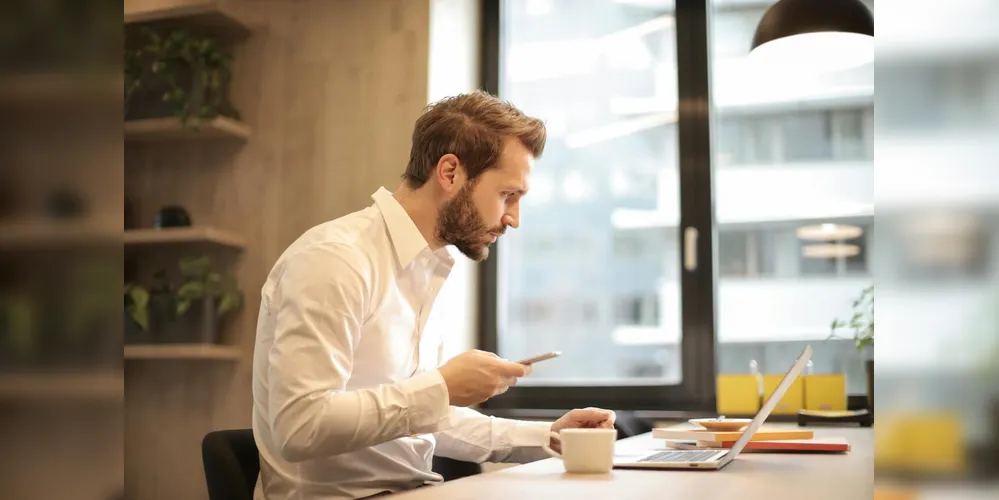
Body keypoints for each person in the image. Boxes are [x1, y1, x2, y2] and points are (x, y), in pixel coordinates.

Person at [251, 91, 616, 500]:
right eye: (507, 195)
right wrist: (441, 387)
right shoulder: (335, 260)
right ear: (449, 173)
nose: (513, 219)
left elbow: (415, 418)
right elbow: (300, 426)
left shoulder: (427, 268)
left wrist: (547, 436)